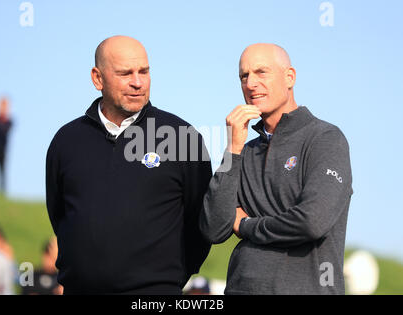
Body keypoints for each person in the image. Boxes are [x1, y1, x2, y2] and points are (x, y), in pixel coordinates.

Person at [46, 35, 212, 295]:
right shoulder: (66, 141)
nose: (137, 82)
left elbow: (201, 222)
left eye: (144, 72)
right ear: (97, 78)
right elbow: (60, 215)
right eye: (125, 73)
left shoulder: (182, 137)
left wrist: (167, 281)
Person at [199, 43, 353, 295]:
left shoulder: (325, 138)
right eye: (244, 76)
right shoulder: (244, 152)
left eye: (262, 72)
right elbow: (214, 228)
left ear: (289, 77)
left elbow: (311, 222)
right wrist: (232, 150)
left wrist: (246, 224)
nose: (250, 84)